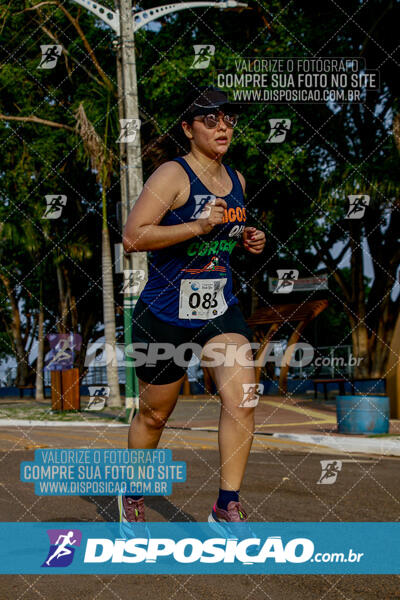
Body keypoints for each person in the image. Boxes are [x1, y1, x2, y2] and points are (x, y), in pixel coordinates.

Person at [121, 86, 266, 532]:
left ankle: (226, 507)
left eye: (227, 119)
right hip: (165, 312)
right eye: (210, 119)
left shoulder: (237, 180)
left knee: (242, 398)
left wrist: (248, 239)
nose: (222, 126)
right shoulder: (172, 175)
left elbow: (221, 239)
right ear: (188, 128)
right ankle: (132, 496)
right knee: (154, 415)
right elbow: (133, 237)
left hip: (218, 307)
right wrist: (197, 224)